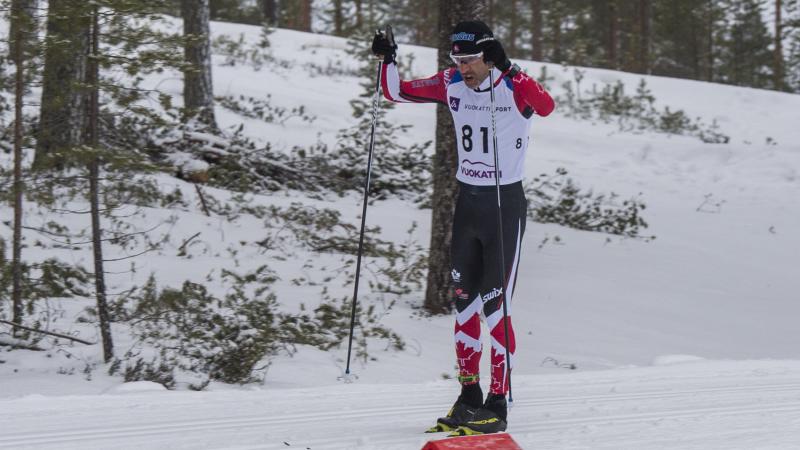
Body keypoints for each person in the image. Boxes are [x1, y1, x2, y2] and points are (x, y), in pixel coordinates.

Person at [372, 20, 555, 435]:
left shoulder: (513, 86)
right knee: (464, 306)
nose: (464, 68)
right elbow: (396, 91)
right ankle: (468, 395)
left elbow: (545, 107)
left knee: (495, 306)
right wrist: (389, 59)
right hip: (468, 205)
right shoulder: (451, 81)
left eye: (470, 60)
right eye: (458, 60)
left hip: (503, 206)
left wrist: (509, 69)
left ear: (489, 57)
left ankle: (499, 403)